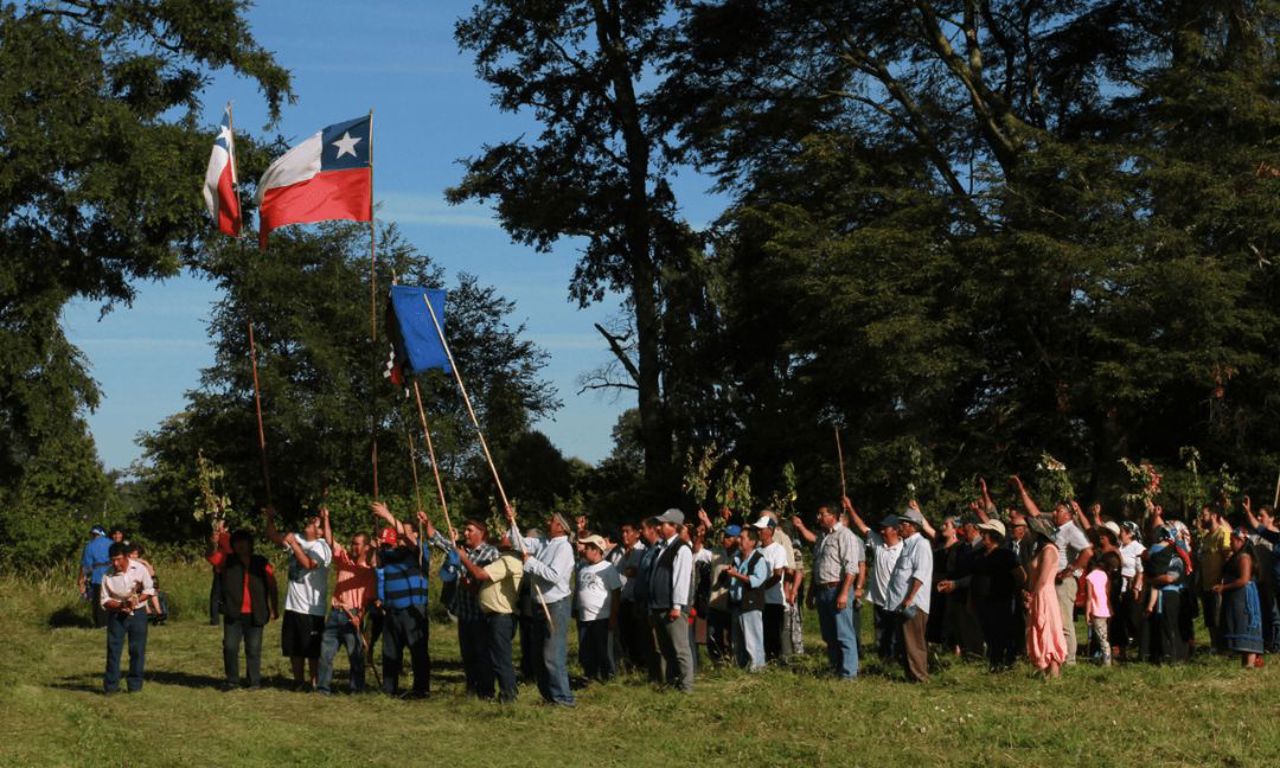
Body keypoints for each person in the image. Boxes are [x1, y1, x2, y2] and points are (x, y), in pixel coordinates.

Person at [1013, 476, 1092, 664]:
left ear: (1068, 514)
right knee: (1053, 620)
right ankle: (1053, 657)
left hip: (1063, 581)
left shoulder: (1072, 530)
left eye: (1058, 510)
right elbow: (1035, 513)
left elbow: (1087, 552)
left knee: (1064, 623)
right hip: (1051, 580)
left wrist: (1070, 570)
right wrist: (1021, 491)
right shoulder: (1056, 529)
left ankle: (1069, 660)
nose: (1054, 513)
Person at [424, 514, 498, 697]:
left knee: (483, 655)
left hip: (481, 614)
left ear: (481, 533)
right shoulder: (460, 550)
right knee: (468, 655)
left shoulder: (491, 553)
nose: (465, 533)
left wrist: (465, 562)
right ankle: (471, 689)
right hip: (464, 614)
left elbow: (485, 579)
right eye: (465, 530)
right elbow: (437, 539)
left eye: (469, 530)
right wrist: (427, 522)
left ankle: (486, 692)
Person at [509, 507, 576, 706]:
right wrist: (512, 520)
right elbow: (518, 543)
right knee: (538, 655)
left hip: (556, 606)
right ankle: (549, 697)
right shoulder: (544, 542)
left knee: (552, 655)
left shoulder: (564, 548)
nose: (549, 522)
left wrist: (531, 563)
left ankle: (563, 699)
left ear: (561, 527)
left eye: (553, 520)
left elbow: (554, 575)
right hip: (539, 604)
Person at [941, 519, 1023, 671]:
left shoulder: (1006, 555)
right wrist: (969, 599)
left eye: (986, 533)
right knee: (989, 635)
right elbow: (974, 579)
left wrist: (1015, 591)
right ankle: (994, 664)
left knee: (1003, 635)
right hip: (983, 603)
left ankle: (1007, 665)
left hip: (1002, 602)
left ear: (994, 535)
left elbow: (1021, 576)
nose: (982, 535)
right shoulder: (979, 556)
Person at [264, 507, 331, 690]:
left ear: (320, 531)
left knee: (312, 650)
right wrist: (270, 519)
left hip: (312, 608)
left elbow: (309, 564)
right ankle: (299, 681)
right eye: (311, 520)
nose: (311, 522)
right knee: (294, 648)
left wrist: (294, 545)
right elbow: (273, 536)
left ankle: (315, 682)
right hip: (293, 606)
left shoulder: (322, 547)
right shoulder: (298, 538)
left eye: (316, 522)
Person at [454, 530, 525, 703]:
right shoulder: (502, 559)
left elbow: (480, 574)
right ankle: (502, 694)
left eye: (506, 535)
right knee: (494, 657)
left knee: (501, 659)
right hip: (493, 616)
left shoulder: (509, 560)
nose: (502, 537)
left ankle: (509, 696)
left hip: (502, 616)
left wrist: (464, 558)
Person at [794, 502, 862, 679]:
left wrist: (844, 593)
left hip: (837, 588)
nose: (818, 517)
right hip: (822, 590)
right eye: (818, 514)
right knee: (829, 635)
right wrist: (811, 593)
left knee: (844, 633)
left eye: (822, 514)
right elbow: (818, 566)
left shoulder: (845, 535)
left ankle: (849, 674)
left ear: (834, 516)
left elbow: (851, 568)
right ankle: (835, 668)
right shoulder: (822, 538)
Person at [207, 526, 278, 690]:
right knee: (230, 647)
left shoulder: (261, 562)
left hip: (256, 612)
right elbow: (211, 556)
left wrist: (274, 607)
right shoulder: (227, 561)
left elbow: (272, 585)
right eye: (237, 543)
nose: (241, 546)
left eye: (244, 542)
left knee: (253, 649)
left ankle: (254, 681)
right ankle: (232, 680)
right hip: (233, 612)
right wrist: (213, 543)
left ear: (250, 544)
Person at [372, 502, 431, 697]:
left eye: (406, 533)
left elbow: (409, 539)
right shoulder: (390, 555)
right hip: (392, 610)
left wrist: (387, 515)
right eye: (400, 533)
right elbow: (375, 564)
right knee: (390, 652)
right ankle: (389, 689)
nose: (402, 536)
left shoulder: (420, 552)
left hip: (413, 609)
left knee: (418, 652)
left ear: (415, 535)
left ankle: (421, 690)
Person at [317, 507, 375, 695]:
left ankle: (356, 690)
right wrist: (326, 518)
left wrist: (360, 615)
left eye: (357, 544)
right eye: (352, 544)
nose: (353, 547)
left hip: (354, 615)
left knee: (355, 657)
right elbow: (330, 540)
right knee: (325, 655)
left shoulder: (370, 571)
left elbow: (368, 599)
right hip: (336, 613)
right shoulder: (344, 560)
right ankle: (323, 689)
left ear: (366, 547)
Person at [840, 498, 903, 661]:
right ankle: (883, 661)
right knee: (880, 634)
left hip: (896, 602)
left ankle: (895, 660)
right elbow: (862, 527)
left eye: (885, 528)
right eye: (881, 528)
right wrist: (850, 507)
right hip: (879, 600)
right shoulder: (878, 543)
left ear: (896, 530)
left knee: (895, 635)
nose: (882, 531)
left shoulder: (904, 548)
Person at [647, 508, 695, 692]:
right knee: (666, 649)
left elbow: (681, 578)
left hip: (672, 607)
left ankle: (686, 686)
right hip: (659, 606)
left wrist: (677, 605)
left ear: (674, 526)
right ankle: (672, 682)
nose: (659, 527)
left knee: (680, 649)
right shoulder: (662, 547)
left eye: (663, 523)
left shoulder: (681, 548)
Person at [885, 502, 934, 682]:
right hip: (902, 603)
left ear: (913, 527)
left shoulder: (921, 545)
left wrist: (909, 598)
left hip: (912, 604)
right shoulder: (907, 545)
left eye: (903, 524)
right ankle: (910, 676)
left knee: (914, 643)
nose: (899, 527)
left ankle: (920, 677)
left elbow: (920, 575)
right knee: (904, 643)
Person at [99, 542, 155, 693]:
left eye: (118, 559)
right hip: (117, 615)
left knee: (137, 650)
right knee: (113, 650)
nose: (115, 563)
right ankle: (111, 686)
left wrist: (137, 599)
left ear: (126, 557)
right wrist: (120, 605)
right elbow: (104, 600)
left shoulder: (139, 568)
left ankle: (135, 685)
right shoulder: (107, 575)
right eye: (112, 560)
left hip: (138, 614)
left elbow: (149, 589)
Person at [1214, 527, 1264, 668]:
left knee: (1246, 626)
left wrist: (1224, 587)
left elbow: (1243, 579)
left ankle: (1250, 664)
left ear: (1240, 541)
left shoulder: (1244, 557)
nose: (1230, 544)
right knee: (1238, 626)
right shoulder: (1236, 557)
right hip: (1235, 597)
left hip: (1245, 598)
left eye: (1232, 541)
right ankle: (1246, 664)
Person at [1024, 517, 1067, 677]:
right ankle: (1045, 668)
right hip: (1038, 593)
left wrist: (1032, 595)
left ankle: (1054, 669)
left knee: (1047, 628)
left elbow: (1043, 578)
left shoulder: (1049, 550)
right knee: (1039, 628)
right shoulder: (1040, 550)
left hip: (1044, 594)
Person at [576, 534, 622, 681]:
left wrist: (613, 617)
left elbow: (616, 593)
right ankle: (590, 676)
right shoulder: (583, 569)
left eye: (588, 548)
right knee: (587, 650)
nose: (584, 551)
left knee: (604, 650)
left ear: (596, 550)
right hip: (584, 618)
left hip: (601, 617)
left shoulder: (608, 568)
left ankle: (608, 677)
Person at [725, 525, 769, 670]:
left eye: (742, 538)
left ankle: (757, 669)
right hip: (737, 604)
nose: (739, 540)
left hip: (751, 604)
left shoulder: (759, 559)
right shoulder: (737, 558)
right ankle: (740, 667)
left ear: (752, 542)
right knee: (737, 641)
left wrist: (736, 575)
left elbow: (756, 581)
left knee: (753, 639)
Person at [1196, 503, 1233, 652]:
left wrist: (1224, 579)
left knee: (1219, 617)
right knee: (1209, 618)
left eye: (1204, 515)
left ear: (1214, 515)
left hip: (1218, 584)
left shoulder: (1223, 533)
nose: (1201, 518)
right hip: (1206, 584)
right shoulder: (1205, 537)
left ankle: (1224, 646)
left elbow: (1228, 556)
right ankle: (1214, 645)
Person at [617, 520, 651, 672]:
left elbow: (646, 573)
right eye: (622, 531)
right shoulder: (618, 553)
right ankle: (629, 665)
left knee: (639, 636)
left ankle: (642, 666)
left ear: (637, 534)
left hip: (636, 600)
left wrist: (636, 572)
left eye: (628, 531)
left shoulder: (643, 551)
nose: (624, 535)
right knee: (625, 636)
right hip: (622, 600)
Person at [754, 516, 789, 663]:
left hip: (773, 600)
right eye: (758, 530)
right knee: (760, 634)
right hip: (758, 600)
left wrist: (760, 588)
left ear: (770, 530)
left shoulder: (778, 549)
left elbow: (777, 575)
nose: (758, 532)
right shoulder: (756, 550)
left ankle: (775, 663)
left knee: (773, 635)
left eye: (761, 529)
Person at [706, 525, 740, 663]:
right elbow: (698, 552)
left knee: (733, 637)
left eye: (729, 536)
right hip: (715, 603)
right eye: (724, 535)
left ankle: (733, 662)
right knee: (713, 636)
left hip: (732, 603)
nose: (724, 539)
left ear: (738, 539)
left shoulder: (741, 555)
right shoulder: (715, 552)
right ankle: (718, 663)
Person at [79, 525, 113, 628]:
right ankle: (112, 622)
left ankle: (101, 624)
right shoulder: (112, 543)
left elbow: (86, 565)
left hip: (97, 576)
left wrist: (82, 579)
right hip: (112, 574)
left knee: (98, 601)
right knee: (112, 598)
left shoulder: (89, 545)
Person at [1084, 555, 1113, 666]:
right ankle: (1105, 659)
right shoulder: (1104, 575)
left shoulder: (1089, 577)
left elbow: (1089, 598)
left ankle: (1107, 661)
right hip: (1106, 608)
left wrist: (1087, 613)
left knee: (1102, 638)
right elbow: (1107, 594)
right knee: (1104, 635)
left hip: (1097, 610)